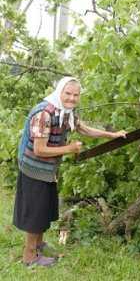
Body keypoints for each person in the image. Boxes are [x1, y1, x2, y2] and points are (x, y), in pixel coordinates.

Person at [13, 77, 127, 267]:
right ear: (59, 92)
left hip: (48, 169)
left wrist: (111, 135)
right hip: (34, 169)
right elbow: (39, 150)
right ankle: (29, 257)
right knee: (35, 213)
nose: (72, 98)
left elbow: (83, 129)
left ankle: (39, 245)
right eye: (68, 93)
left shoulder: (66, 112)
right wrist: (70, 148)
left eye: (76, 95)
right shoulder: (45, 114)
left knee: (43, 210)